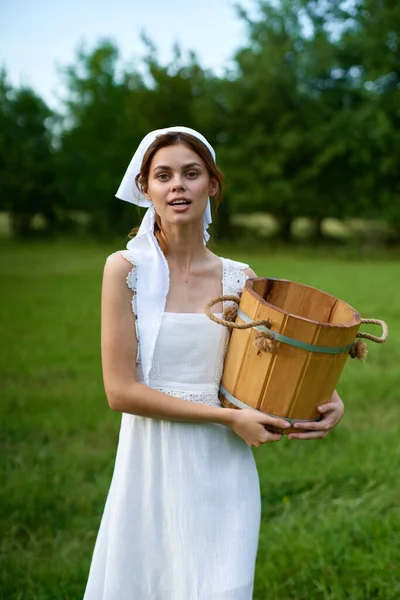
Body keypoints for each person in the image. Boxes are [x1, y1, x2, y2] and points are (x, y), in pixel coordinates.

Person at [83, 126, 344, 600]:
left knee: (221, 588)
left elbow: (282, 357)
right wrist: (231, 417)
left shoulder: (239, 277)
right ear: (146, 189)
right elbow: (119, 392)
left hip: (223, 465)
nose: (177, 185)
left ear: (213, 184)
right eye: (163, 175)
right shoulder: (124, 270)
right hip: (151, 461)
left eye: (191, 173)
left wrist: (326, 398)